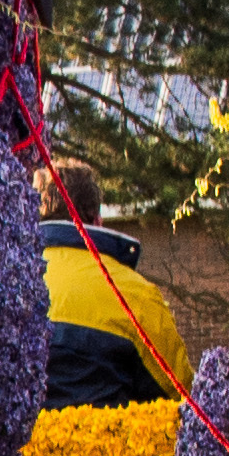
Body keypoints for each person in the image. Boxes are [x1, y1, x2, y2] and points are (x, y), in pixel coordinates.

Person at [38, 158, 186, 407]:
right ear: (97, 220)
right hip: (115, 441)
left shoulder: (1, 289)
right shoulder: (135, 294)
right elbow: (182, 394)